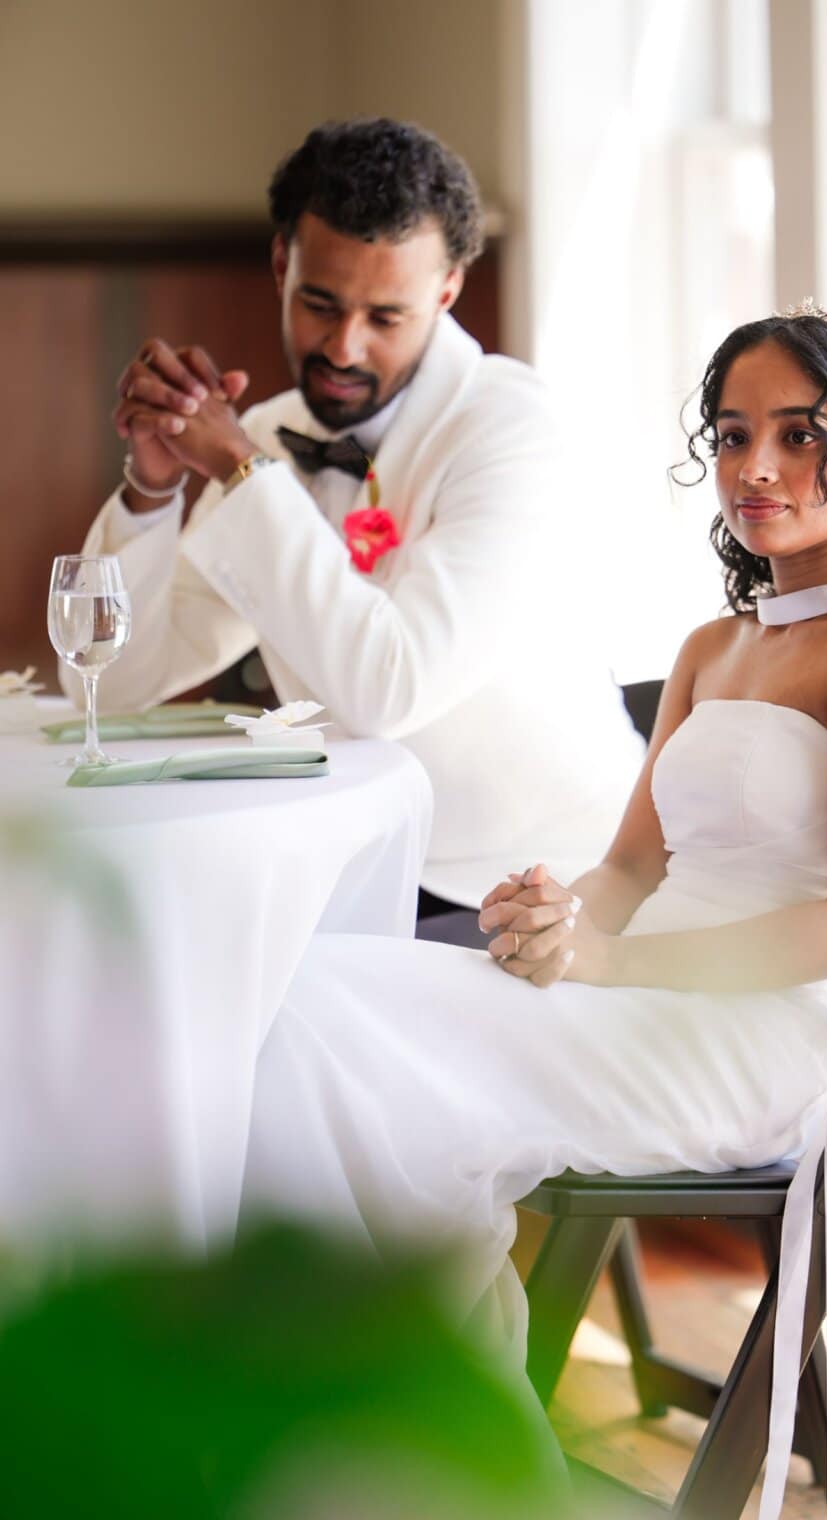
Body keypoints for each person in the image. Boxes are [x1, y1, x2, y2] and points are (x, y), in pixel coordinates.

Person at [238, 303, 827, 1520]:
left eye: (802, 437)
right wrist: (552, 913)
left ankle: (430, 1449)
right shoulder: (714, 644)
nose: (756, 468)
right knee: (300, 996)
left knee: (342, 1058)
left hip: (756, 1038)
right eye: (735, 433)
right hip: (635, 987)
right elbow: (629, 869)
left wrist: (607, 962)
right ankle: (434, 1437)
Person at [65, 118, 645, 938]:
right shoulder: (268, 440)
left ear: (446, 291)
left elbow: (388, 687)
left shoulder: (511, 429)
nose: (344, 346)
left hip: (554, 893)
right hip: (363, 882)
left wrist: (238, 468)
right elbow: (119, 686)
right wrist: (152, 488)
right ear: (280, 264)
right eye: (320, 303)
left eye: (386, 315)